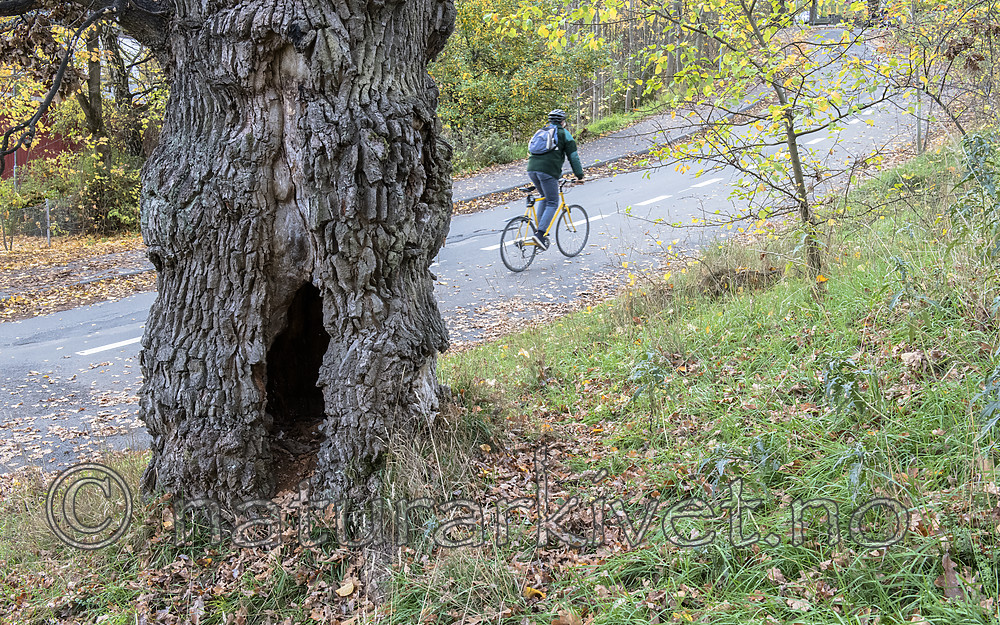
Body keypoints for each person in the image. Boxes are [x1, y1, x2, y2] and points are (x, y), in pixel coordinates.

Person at [527, 109, 584, 250]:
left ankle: (539, 232)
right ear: (563, 121)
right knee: (553, 202)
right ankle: (540, 234)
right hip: (547, 171)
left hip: (532, 169)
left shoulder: (542, 131)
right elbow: (573, 157)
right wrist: (580, 175)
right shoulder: (564, 134)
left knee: (544, 197)